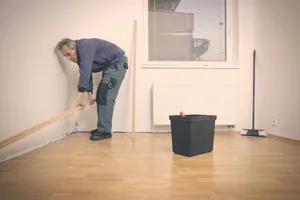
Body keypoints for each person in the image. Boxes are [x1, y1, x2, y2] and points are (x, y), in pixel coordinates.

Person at [56, 38, 128, 140]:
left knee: (105, 95)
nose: (68, 58)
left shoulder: (84, 47)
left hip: (117, 63)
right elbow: (86, 71)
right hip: (110, 66)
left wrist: (79, 95)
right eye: (65, 56)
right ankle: (102, 128)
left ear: (74, 47)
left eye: (68, 54)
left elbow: (85, 69)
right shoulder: (80, 55)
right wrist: (89, 91)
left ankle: (105, 131)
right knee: (101, 95)